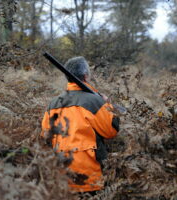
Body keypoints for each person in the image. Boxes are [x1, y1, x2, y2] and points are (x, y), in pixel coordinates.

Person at [41, 56, 120, 192]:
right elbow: (112, 130)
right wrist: (107, 105)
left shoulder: (53, 104)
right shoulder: (94, 101)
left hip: (62, 176)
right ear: (85, 76)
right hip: (89, 175)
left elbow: (46, 137)